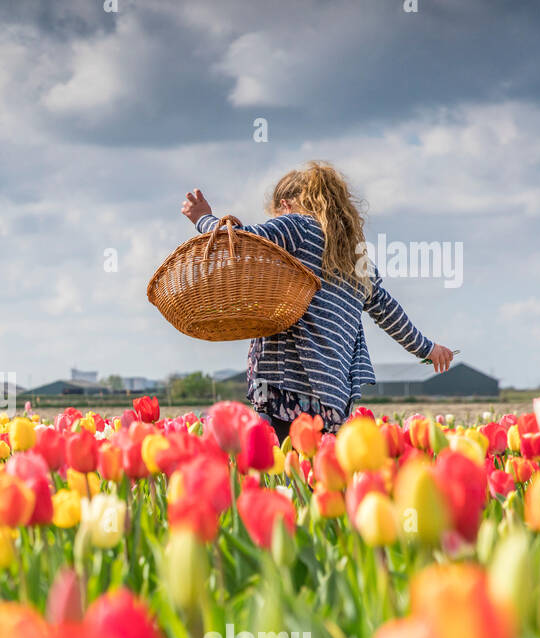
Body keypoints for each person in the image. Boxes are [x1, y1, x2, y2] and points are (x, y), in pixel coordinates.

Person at [181, 161, 454, 442]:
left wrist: (202, 218)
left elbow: (239, 243)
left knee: (279, 475)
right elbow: (387, 310)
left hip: (283, 387)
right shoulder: (357, 259)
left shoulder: (298, 226)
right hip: (332, 398)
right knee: (316, 479)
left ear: (285, 206)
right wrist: (427, 348)